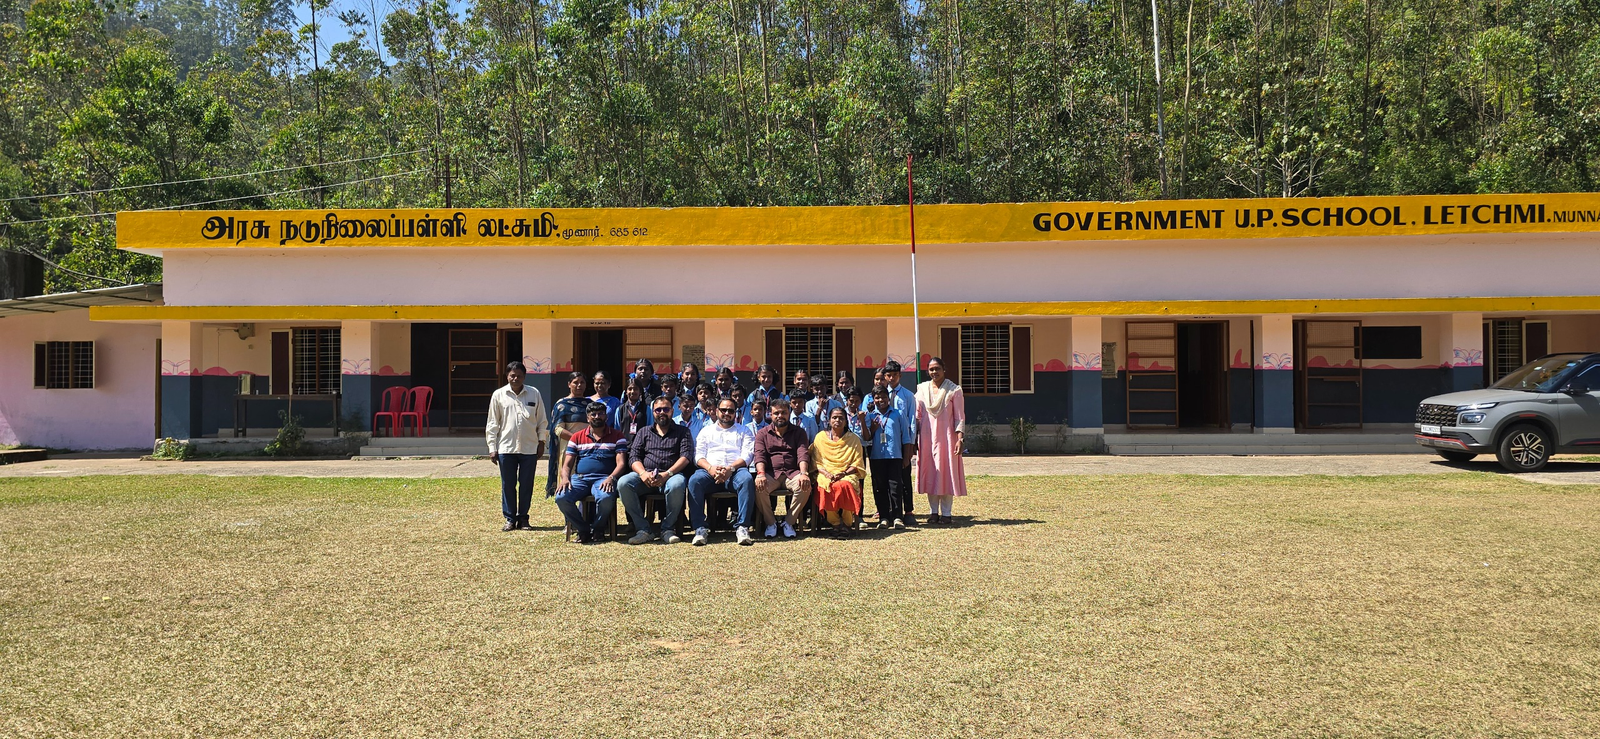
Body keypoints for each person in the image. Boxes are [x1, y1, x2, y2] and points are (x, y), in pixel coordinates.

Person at [617, 395, 694, 545]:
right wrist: (642, 473)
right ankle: (643, 530)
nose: (662, 412)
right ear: (653, 412)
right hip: (646, 476)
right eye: (658, 410)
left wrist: (667, 474)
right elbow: (633, 456)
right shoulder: (644, 432)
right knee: (623, 483)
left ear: (672, 411)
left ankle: (668, 529)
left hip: (671, 475)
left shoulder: (683, 431)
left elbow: (686, 456)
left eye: (666, 409)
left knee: (678, 484)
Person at [485, 361, 548, 531]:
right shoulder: (499, 395)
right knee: (508, 484)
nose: (515, 378)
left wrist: (541, 442)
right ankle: (510, 518)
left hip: (529, 448)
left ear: (524, 377)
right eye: (512, 375)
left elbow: (542, 421)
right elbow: (492, 423)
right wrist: (492, 447)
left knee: (526, 484)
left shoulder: (534, 393)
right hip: (506, 448)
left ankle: (523, 518)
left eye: (519, 375)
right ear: (507, 376)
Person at [554, 402, 628, 543]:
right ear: (587, 418)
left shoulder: (617, 436)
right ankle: (583, 529)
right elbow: (567, 463)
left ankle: (598, 528)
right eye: (593, 414)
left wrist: (611, 478)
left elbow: (622, 464)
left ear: (606, 416)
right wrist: (565, 478)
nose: (597, 416)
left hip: (604, 479)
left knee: (606, 498)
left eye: (600, 413)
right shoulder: (577, 437)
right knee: (561, 497)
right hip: (580, 479)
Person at [687, 398, 757, 546]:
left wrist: (730, 469)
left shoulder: (744, 430)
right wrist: (710, 469)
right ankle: (700, 528)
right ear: (717, 411)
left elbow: (748, 455)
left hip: (736, 471)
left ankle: (742, 527)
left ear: (735, 413)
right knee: (694, 481)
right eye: (723, 410)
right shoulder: (706, 431)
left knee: (747, 479)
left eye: (730, 411)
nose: (726, 413)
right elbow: (698, 455)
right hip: (709, 472)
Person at [752, 397, 813, 539]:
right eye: (776, 413)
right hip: (771, 474)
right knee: (758, 487)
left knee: (805, 485)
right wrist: (760, 474)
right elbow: (759, 455)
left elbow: (802, 453)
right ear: (770, 414)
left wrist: (804, 473)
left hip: (792, 473)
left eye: (784, 413)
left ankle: (788, 522)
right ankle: (771, 523)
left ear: (789, 413)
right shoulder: (763, 433)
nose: (780, 416)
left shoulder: (799, 432)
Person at [916, 356, 967, 524]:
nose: (934, 372)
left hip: (947, 438)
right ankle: (933, 512)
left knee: (946, 472)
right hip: (926, 437)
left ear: (944, 369)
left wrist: (959, 439)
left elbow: (959, 417)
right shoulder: (922, 390)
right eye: (931, 369)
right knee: (931, 472)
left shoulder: (954, 390)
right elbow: (917, 415)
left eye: (937, 368)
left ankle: (946, 513)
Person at [811, 407, 866, 536]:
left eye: (841, 418)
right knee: (826, 485)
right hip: (825, 474)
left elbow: (857, 463)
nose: (838, 420)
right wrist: (827, 474)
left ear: (846, 421)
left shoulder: (853, 439)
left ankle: (847, 524)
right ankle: (835, 524)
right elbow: (816, 462)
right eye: (834, 417)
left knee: (844, 485)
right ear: (829, 421)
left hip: (847, 474)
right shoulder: (820, 438)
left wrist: (844, 473)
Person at [865, 386, 914, 529]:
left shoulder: (898, 414)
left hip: (895, 456)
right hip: (877, 457)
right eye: (877, 398)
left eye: (883, 397)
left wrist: (906, 457)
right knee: (880, 487)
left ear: (889, 398)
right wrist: (872, 429)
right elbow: (866, 437)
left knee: (896, 487)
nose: (881, 400)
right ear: (873, 400)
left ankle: (898, 516)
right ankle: (884, 517)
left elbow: (906, 436)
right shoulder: (870, 416)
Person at [883, 360, 919, 524]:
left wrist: (910, 445)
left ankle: (909, 511)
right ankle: (889, 510)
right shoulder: (880, 395)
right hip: (886, 442)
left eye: (895, 375)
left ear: (900, 375)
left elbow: (912, 420)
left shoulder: (908, 396)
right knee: (888, 478)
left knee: (904, 476)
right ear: (885, 376)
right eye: (889, 375)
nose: (892, 378)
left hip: (903, 441)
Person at [546, 371, 590, 498]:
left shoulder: (590, 404)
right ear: (569, 384)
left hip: (588, 447)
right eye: (575, 382)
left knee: (585, 480)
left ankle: (586, 515)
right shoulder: (561, 405)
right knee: (568, 480)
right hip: (569, 448)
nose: (579, 385)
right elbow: (557, 429)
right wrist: (577, 439)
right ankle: (568, 516)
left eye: (582, 382)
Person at [611, 378, 650, 445]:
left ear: (640, 391)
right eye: (630, 389)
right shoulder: (620, 409)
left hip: (642, 446)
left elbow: (650, 428)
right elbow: (617, 430)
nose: (632, 391)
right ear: (626, 392)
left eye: (635, 389)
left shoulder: (646, 409)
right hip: (624, 446)